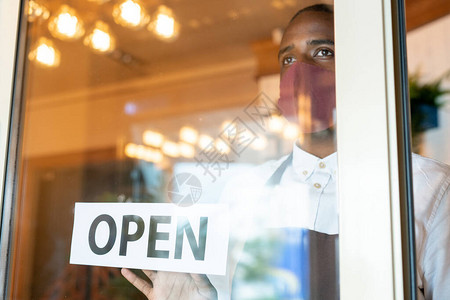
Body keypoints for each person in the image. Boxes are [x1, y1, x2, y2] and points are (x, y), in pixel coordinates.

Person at [121, 4, 450, 300]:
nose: (301, 70)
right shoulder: (243, 192)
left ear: (361, 68)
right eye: (288, 59)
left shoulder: (427, 187)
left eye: (323, 52)